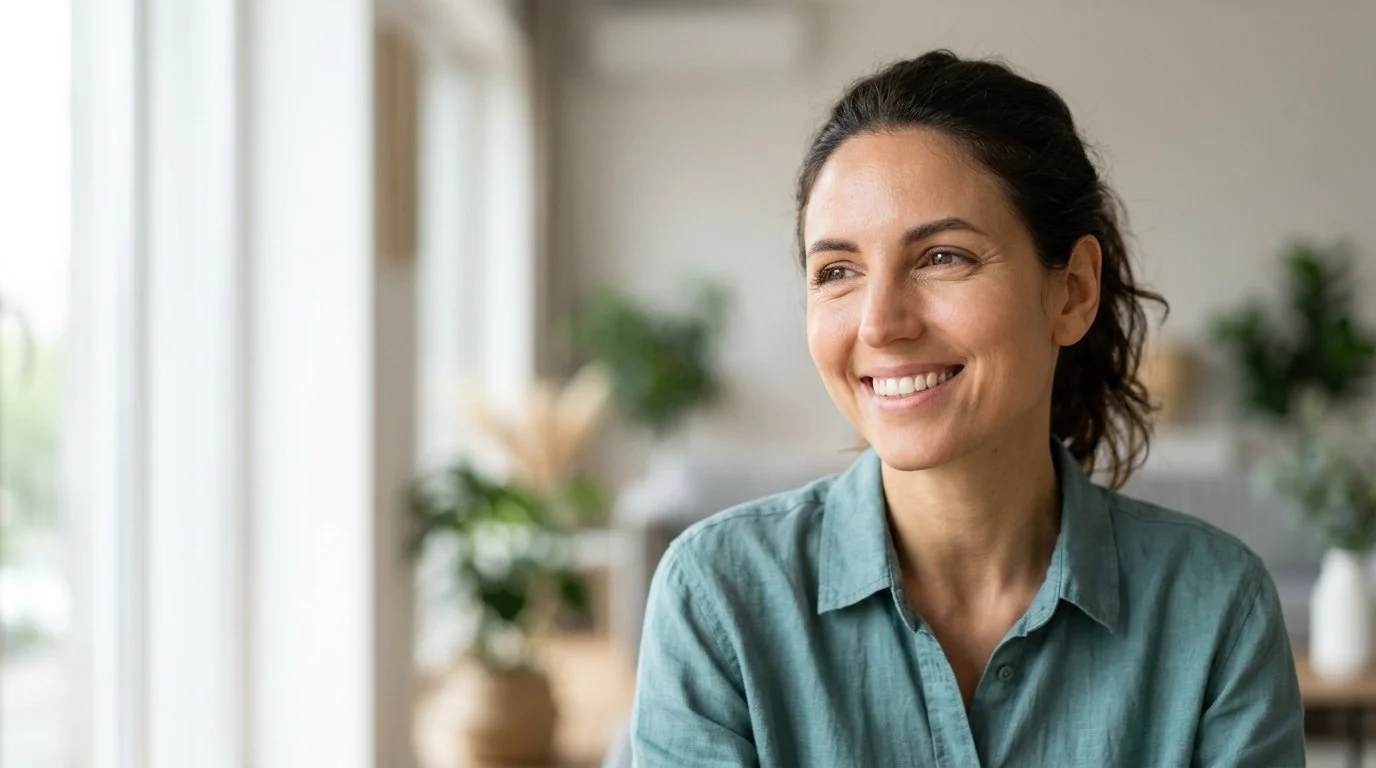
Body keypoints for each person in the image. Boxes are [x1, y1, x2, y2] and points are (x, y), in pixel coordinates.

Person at [629, 50, 1305, 767]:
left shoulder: (1217, 609)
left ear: (1072, 290)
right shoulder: (718, 596)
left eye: (942, 257)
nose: (880, 323)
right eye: (837, 272)